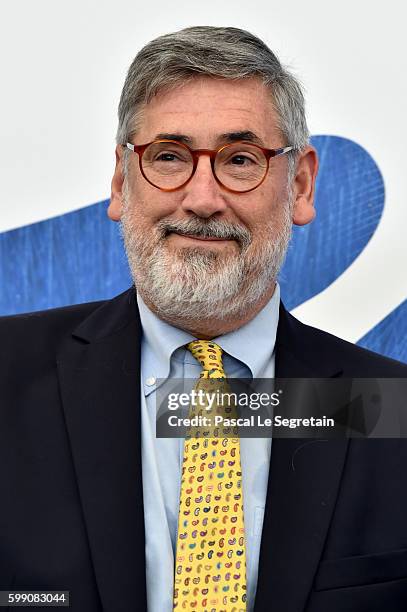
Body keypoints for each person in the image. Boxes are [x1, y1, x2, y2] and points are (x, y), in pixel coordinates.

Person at [1, 25, 407, 612]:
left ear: (300, 184)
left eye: (240, 161)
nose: (202, 198)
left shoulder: (384, 410)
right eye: (168, 157)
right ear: (120, 181)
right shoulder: (7, 378)